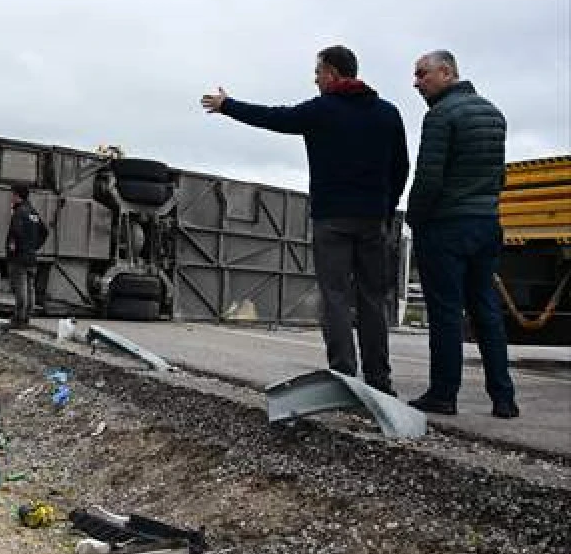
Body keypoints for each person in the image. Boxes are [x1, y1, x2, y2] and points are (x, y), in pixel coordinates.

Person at [201, 45, 409, 395]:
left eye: (317, 72)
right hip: (374, 219)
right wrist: (385, 209)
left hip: (332, 219)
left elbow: (274, 118)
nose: (314, 79)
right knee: (374, 299)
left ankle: (344, 376)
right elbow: (401, 166)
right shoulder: (388, 114)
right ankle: (380, 382)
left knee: (336, 297)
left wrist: (227, 106)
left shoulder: (321, 111)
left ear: (331, 73)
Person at [405, 50, 518, 419]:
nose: (416, 82)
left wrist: (415, 219)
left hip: (447, 227)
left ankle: (443, 394)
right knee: (486, 309)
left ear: (446, 72)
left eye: (423, 74)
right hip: (486, 223)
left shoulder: (440, 116)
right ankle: (503, 399)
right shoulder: (494, 113)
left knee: (446, 312)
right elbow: (499, 176)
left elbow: (429, 178)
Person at [6, 184, 49, 328]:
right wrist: (34, 246)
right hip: (31, 256)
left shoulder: (19, 212)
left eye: (12, 195)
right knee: (30, 288)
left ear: (18, 196)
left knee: (20, 288)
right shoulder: (33, 212)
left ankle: (19, 318)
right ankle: (27, 317)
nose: (11, 198)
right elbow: (45, 231)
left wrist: (13, 249)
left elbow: (15, 233)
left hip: (19, 257)